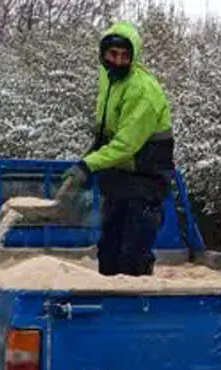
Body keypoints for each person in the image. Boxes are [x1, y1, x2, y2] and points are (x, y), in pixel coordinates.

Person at [56, 21, 175, 277]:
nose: (118, 61)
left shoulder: (142, 91)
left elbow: (125, 145)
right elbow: (106, 130)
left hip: (145, 180)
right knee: (108, 254)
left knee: (131, 258)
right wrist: (90, 154)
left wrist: (89, 165)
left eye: (125, 56)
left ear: (134, 57)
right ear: (103, 54)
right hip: (118, 180)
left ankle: (135, 314)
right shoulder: (109, 79)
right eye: (113, 54)